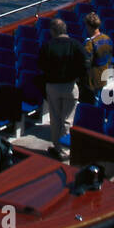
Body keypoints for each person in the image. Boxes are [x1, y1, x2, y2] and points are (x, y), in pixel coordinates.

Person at [38, 18, 86, 158]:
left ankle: (57, 146)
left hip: (53, 86)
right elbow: (85, 64)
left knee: (55, 118)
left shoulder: (47, 46)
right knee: (67, 119)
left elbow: (40, 65)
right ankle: (65, 150)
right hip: (70, 86)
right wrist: (77, 77)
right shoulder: (75, 45)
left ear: (53, 31)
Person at [79, 13, 113, 104]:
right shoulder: (107, 38)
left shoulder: (90, 43)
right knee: (98, 97)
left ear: (88, 26)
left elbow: (85, 63)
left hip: (92, 79)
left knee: (91, 101)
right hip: (103, 75)